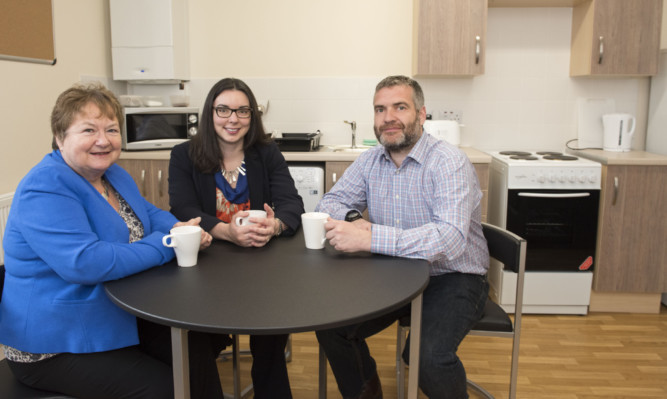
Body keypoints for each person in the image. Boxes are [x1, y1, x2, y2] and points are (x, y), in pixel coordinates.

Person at [0, 82, 227, 399]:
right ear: (59, 137)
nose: (103, 141)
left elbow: (148, 213)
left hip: (112, 315)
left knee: (196, 346)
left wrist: (181, 227)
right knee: (165, 388)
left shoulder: (113, 175)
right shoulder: (45, 187)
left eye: (111, 129)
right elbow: (87, 263)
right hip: (54, 344)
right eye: (89, 130)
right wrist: (169, 244)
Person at [315, 75, 490, 399]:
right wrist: (356, 221)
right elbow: (329, 203)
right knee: (331, 326)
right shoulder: (370, 161)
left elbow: (449, 239)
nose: (388, 117)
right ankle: (367, 393)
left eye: (400, 107)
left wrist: (371, 237)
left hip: (453, 276)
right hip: (394, 272)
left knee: (427, 358)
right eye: (380, 109)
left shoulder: (449, 162)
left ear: (421, 114)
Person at [168, 77, 304, 398]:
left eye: (243, 111)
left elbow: (291, 204)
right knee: (198, 341)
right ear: (210, 113)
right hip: (207, 265)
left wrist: (276, 226)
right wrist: (226, 231)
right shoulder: (184, 155)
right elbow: (182, 207)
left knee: (270, 337)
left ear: (252, 117)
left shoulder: (266, 154)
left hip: (262, 268)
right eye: (224, 110)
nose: (233, 119)